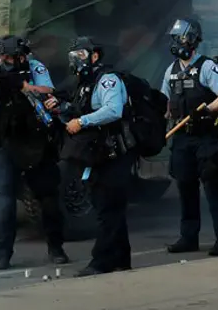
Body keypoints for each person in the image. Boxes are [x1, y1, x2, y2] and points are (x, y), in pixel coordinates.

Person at [0, 35, 68, 270]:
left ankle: (56, 247)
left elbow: (48, 92)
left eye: (9, 57)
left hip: (37, 142)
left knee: (48, 198)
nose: (4, 61)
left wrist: (21, 85)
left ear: (21, 57)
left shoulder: (34, 68)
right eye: (1, 57)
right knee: (4, 199)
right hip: (7, 143)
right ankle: (2, 254)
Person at [45, 36, 135, 276]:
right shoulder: (83, 83)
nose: (76, 60)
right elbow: (78, 107)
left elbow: (113, 110)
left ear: (95, 56)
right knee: (109, 207)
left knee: (108, 208)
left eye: (82, 55)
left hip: (116, 153)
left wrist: (81, 121)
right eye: (74, 56)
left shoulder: (107, 80)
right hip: (99, 154)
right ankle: (121, 258)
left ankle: (101, 262)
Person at [161, 18, 218, 256]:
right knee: (185, 187)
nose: (175, 43)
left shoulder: (206, 67)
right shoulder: (170, 70)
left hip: (206, 138)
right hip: (182, 137)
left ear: (191, 40)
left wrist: (206, 110)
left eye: (179, 38)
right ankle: (188, 237)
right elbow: (166, 103)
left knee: (212, 186)